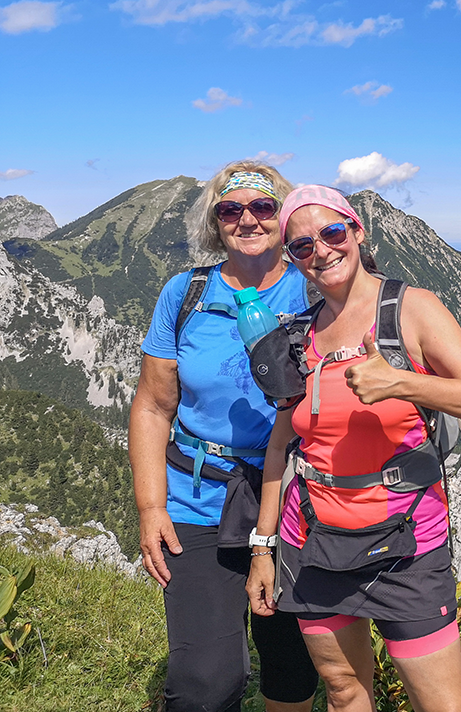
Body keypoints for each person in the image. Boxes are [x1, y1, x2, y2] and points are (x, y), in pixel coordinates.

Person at [246, 185, 461, 712]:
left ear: (357, 232)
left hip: (406, 542)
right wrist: (262, 547)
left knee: (443, 705)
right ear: (294, 260)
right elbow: (280, 447)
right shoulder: (299, 336)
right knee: (344, 692)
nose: (321, 250)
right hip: (313, 539)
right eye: (301, 246)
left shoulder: (410, 310)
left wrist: (402, 384)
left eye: (332, 233)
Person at [129, 161, 319, 712]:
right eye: (231, 209)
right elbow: (153, 404)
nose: (248, 220)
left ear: (282, 217)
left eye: (262, 207)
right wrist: (150, 506)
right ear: (216, 222)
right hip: (198, 495)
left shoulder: (312, 289)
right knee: (205, 680)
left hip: (291, 496)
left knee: (289, 664)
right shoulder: (184, 293)